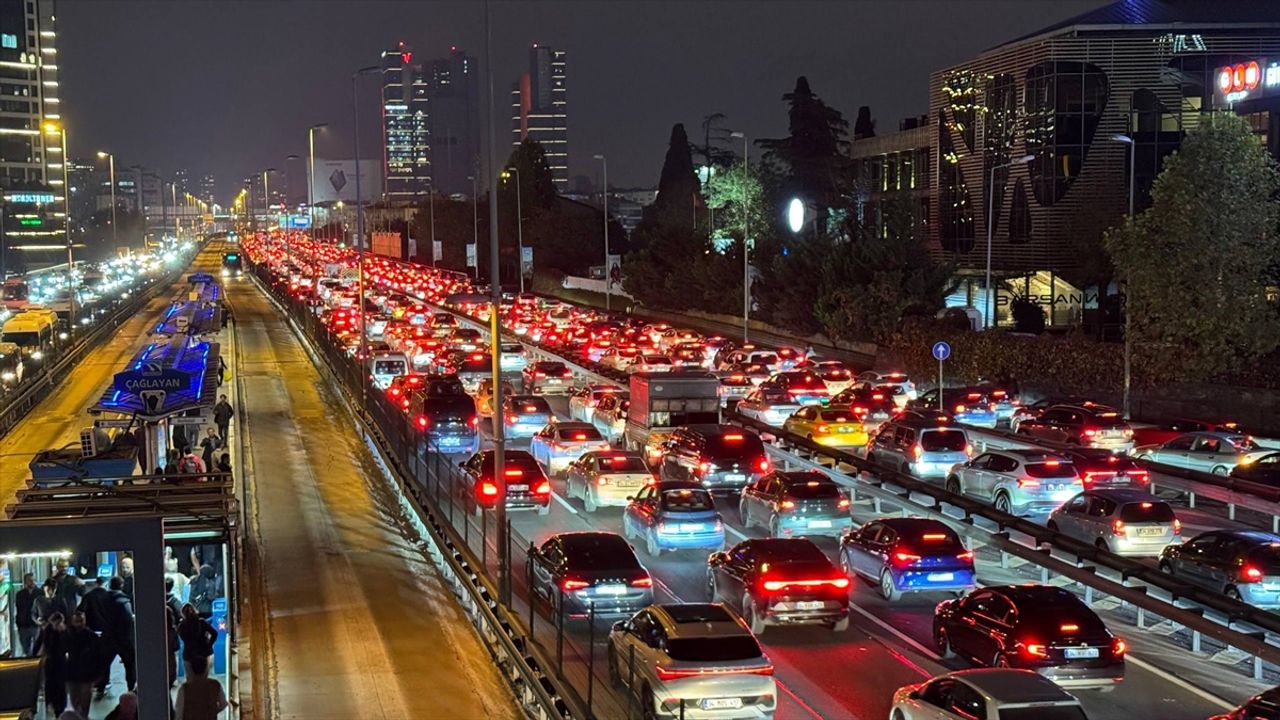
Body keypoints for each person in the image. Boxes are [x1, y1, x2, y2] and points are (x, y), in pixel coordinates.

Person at [97, 576, 137, 693]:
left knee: (104, 663)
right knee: (129, 664)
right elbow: (128, 620)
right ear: (121, 586)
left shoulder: (102, 600)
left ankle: (101, 687)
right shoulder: (123, 602)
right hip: (123, 638)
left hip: (107, 636)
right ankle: (131, 687)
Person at [63, 612, 101, 716]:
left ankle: (83, 717)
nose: (79, 623)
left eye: (81, 620)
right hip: (72, 673)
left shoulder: (92, 637)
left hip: (86, 674)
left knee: (84, 701)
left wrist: (98, 674)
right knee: (75, 700)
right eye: (77, 621)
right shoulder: (67, 635)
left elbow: (98, 657)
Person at [33, 611, 68, 715]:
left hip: (60, 662)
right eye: (56, 623)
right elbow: (40, 645)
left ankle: (59, 709)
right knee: (50, 684)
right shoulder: (46, 631)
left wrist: (62, 633)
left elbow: (67, 646)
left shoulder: (64, 631)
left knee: (60, 686)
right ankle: (51, 705)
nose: (57, 625)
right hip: (51, 662)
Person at [175, 655, 228, 720]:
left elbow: (179, 715)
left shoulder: (184, 688)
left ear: (191, 669)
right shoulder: (215, 685)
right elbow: (223, 705)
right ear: (206, 668)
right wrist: (213, 711)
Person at [176, 603, 217, 678]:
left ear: (183, 614)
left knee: (191, 680)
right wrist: (209, 645)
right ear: (194, 611)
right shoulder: (202, 622)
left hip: (189, 655)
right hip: (204, 653)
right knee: (206, 678)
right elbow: (214, 633)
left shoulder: (181, 626)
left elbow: (183, 639)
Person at [14, 572, 39, 657]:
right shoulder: (20, 594)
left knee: (37, 648)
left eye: (33, 580)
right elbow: (19, 608)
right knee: (26, 649)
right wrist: (19, 623)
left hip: (36, 625)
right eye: (29, 580)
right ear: (25, 582)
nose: (32, 582)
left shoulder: (39, 593)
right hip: (24, 625)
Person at [164, 579, 182, 688]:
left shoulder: (157, 601)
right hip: (171, 633)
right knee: (172, 657)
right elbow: (180, 615)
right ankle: (172, 677)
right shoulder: (174, 601)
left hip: (162, 633)